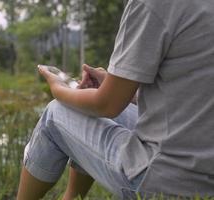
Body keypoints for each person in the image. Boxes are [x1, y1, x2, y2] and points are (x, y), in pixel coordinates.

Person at [17, 0, 214, 199]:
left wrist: (58, 89)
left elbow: (106, 105)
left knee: (55, 114)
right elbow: (191, 96)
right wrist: (119, 88)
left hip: (165, 181)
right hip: (205, 174)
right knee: (85, 108)